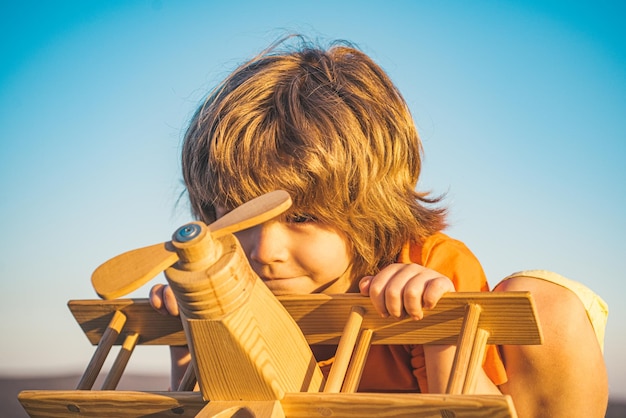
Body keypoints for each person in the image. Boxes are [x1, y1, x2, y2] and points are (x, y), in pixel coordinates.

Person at [149, 35, 608, 417]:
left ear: (369, 207)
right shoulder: (239, 286)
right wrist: (192, 334)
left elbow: (468, 409)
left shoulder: (431, 265)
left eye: (302, 217)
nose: (264, 250)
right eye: (240, 215)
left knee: (544, 300)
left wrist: (439, 330)